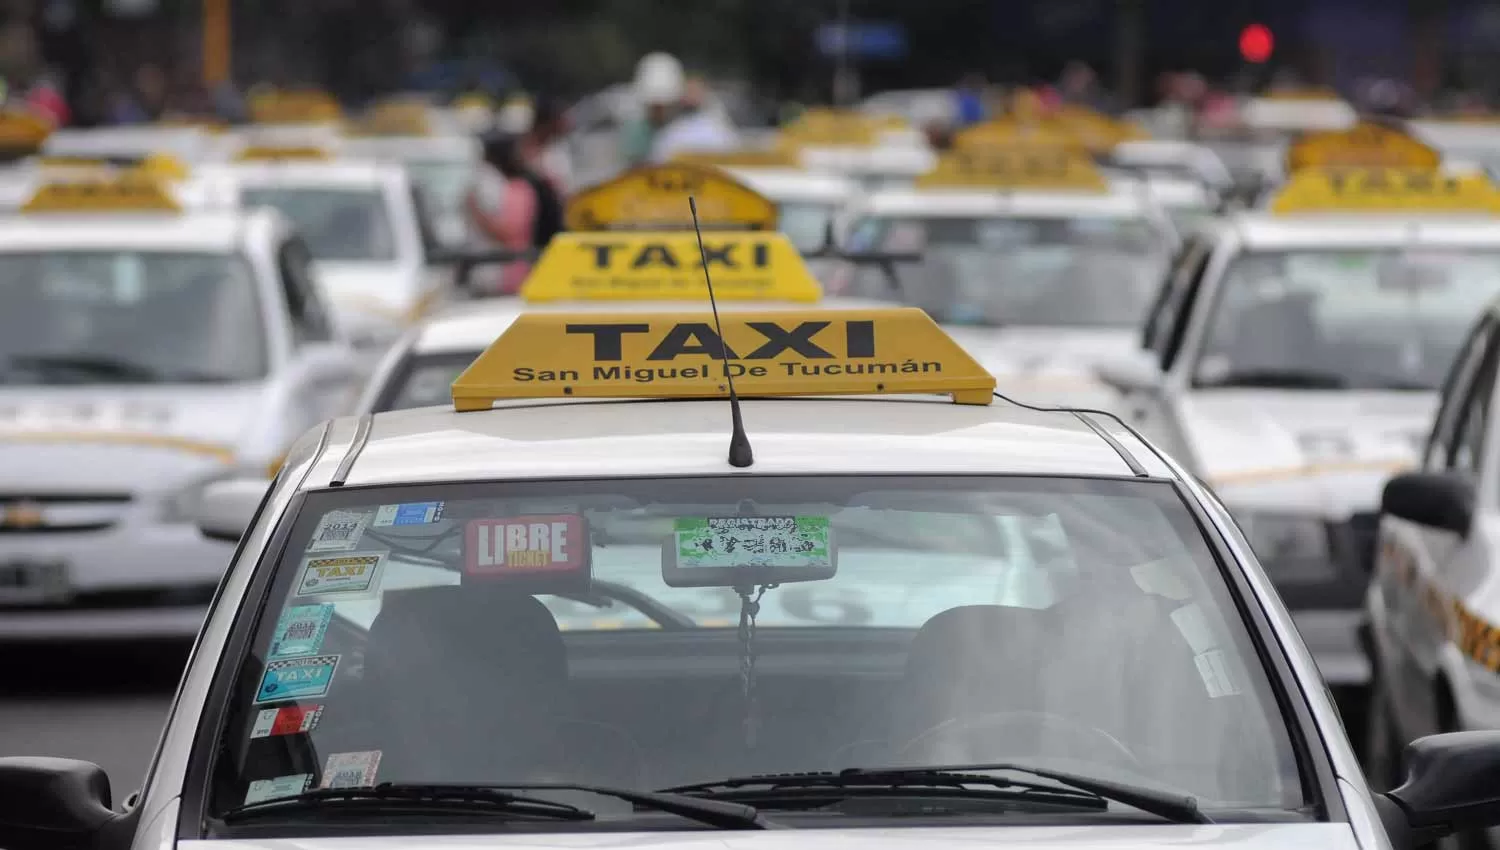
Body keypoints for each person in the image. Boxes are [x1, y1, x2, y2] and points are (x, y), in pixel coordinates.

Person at [466, 131, 537, 295]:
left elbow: (507, 232)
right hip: (493, 270)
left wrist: (475, 211)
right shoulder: (489, 181)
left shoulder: (515, 187)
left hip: (506, 270)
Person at [650, 75, 738, 162]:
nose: (691, 97)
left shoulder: (720, 129)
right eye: (688, 92)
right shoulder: (671, 132)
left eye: (695, 92)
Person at [619, 52, 684, 168]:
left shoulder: (686, 127)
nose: (660, 110)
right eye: (655, 106)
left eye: (663, 105)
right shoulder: (636, 131)